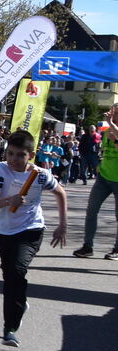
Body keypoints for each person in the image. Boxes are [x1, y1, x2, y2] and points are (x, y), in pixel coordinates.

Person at [0, 130, 68, 347]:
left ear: (30, 155)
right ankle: (19, 304)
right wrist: (9, 200)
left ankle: (10, 328)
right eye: (10, 154)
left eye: (20, 155)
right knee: (10, 278)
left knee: (16, 272)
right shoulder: (1, 170)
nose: (14, 159)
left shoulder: (39, 175)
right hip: (4, 231)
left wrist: (62, 225)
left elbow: (61, 193)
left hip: (31, 229)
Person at [73, 104, 118, 260]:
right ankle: (88, 246)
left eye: (115, 113)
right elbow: (104, 151)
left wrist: (111, 125)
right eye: (112, 112)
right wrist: (100, 164)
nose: (112, 115)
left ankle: (117, 249)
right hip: (104, 176)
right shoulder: (106, 132)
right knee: (91, 210)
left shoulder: (111, 128)